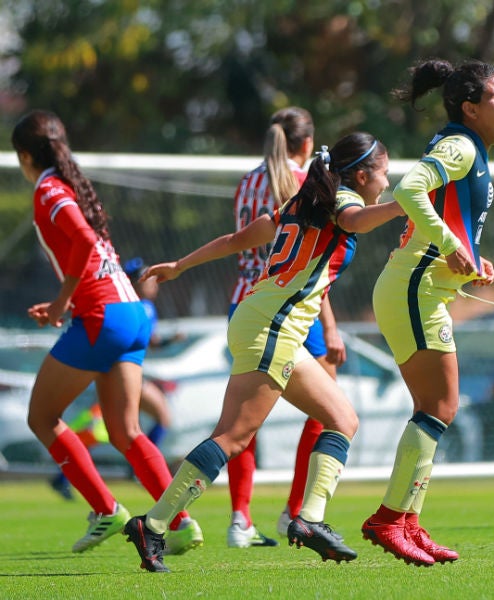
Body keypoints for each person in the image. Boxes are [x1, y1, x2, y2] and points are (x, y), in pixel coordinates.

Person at [123, 132, 404, 573]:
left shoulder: (304, 203)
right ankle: (154, 524)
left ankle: (307, 520)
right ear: (364, 173)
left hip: (263, 321)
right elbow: (355, 221)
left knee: (342, 419)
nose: (388, 183)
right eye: (386, 174)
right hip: (273, 326)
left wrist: (180, 265)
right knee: (234, 437)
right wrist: (409, 203)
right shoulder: (340, 202)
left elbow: (238, 240)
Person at [11, 109, 202, 554]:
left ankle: (105, 509)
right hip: (132, 314)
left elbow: (79, 239)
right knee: (126, 431)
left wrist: (62, 302)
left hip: (103, 316)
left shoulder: (47, 188)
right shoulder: (74, 186)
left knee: (41, 417)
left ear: (24, 155)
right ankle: (180, 521)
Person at [360, 58, 494, 566]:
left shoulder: (469, 146)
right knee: (441, 407)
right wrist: (450, 245)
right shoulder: (460, 145)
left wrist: (469, 258)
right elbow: (407, 190)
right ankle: (389, 520)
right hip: (413, 288)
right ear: (469, 108)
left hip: (421, 286)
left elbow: (443, 217)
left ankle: (408, 522)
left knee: (436, 409)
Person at [225, 106, 348, 549]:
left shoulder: (247, 182)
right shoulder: (304, 184)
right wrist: (330, 327)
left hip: (243, 301)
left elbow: (243, 242)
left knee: (244, 418)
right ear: (308, 144)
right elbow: (311, 264)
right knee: (329, 409)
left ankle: (240, 518)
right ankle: (295, 511)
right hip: (291, 308)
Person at [50, 257, 174, 500]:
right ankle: (135, 471)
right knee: (142, 423)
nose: (155, 283)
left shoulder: (127, 302)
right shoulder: (143, 306)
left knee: (101, 430)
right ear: (137, 282)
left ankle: (63, 477)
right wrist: (171, 340)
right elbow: (150, 341)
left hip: (113, 368)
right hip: (120, 371)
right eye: (149, 278)